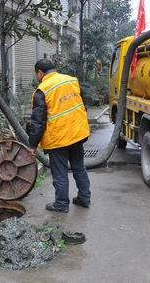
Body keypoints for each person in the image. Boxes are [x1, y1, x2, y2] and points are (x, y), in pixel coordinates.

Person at [29, 59, 91, 213]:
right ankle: (84, 198)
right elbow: (82, 104)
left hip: (58, 139)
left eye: (36, 74)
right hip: (77, 134)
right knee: (79, 168)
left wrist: (32, 145)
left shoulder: (42, 90)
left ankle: (62, 204)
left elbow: (38, 122)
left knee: (60, 173)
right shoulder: (72, 80)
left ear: (40, 72)